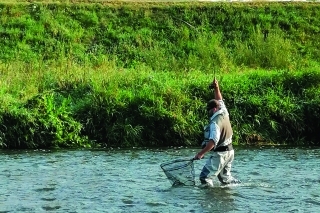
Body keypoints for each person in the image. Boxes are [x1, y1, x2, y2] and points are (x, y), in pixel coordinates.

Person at [194, 78, 240, 187]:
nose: (207, 112)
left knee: (204, 177)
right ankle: (239, 188)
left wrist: (201, 153)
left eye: (208, 110)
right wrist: (216, 87)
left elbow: (213, 142)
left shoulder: (215, 123)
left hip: (221, 154)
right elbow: (219, 99)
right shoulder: (223, 111)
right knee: (225, 179)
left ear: (214, 109)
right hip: (230, 151)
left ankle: (212, 199)